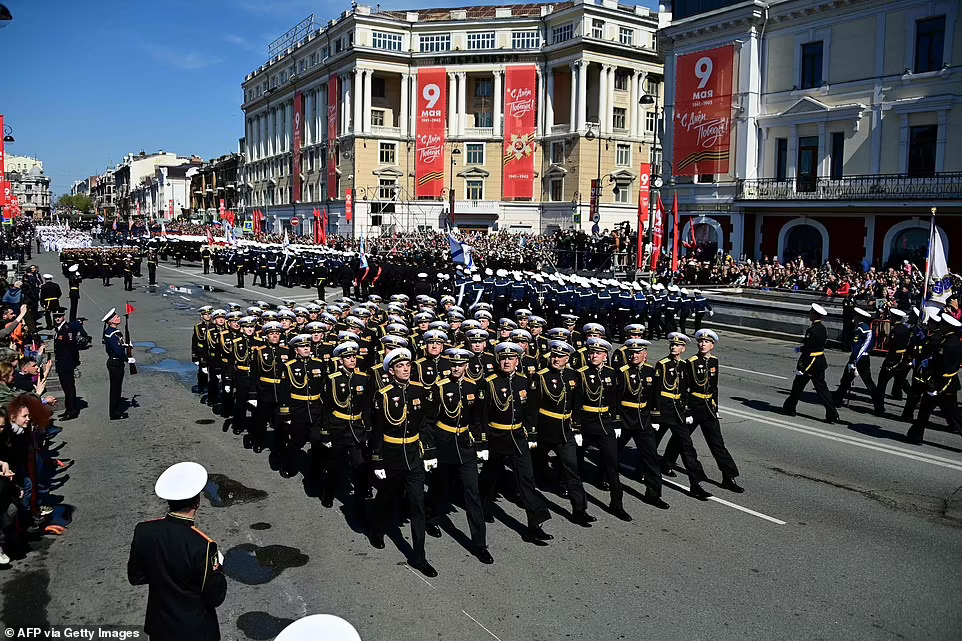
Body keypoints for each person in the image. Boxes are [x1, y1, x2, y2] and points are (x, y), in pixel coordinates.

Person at [127, 461, 227, 641]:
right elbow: (215, 597)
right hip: (195, 632)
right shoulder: (203, 546)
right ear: (197, 502)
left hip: (160, 627)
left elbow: (136, 577)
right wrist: (218, 569)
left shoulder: (144, 531)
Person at [368, 348, 438, 578]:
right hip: (392, 455)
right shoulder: (384, 394)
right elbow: (377, 430)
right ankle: (377, 529)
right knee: (386, 498)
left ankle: (419, 556)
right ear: (391, 370)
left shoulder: (419, 390)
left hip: (414, 455)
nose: (406, 369)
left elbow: (426, 422)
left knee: (418, 505)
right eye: (400, 366)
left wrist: (429, 452)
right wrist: (377, 460)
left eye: (408, 365)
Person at [478, 342, 553, 545]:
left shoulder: (523, 381)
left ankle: (535, 525)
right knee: (489, 477)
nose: (506, 362)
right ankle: (481, 508)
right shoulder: (489, 382)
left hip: (517, 436)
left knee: (526, 479)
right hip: (496, 436)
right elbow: (482, 416)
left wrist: (531, 434)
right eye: (503, 358)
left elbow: (530, 410)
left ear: (518, 361)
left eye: (510, 359)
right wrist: (482, 443)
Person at [424, 347, 493, 564]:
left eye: (460, 365)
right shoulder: (439, 387)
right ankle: (432, 517)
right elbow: (428, 422)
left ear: (466, 366)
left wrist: (482, 443)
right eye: (453, 365)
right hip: (444, 442)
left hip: (465, 444)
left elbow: (478, 419)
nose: (456, 368)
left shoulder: (474, 386)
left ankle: (479, 544)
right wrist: (430, 451)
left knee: (472, 492)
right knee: (440, 487)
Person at [664, 329, 743, 492]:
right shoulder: (690, 362)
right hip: (693, 406)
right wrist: (686, 410)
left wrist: (716, 407)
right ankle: (666, 464)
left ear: (712, 345)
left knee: (717, 444)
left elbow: (714, 387)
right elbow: (684, 388)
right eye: (700, 342)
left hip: (708, 408)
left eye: (706, 342)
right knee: (681, 440)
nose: (702, 344)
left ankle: (728, 477)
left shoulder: (714, 361)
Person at [527, 339, 592, 526]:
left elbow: (577, 403)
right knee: (530, 469)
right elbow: (532, 408)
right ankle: (527, 500)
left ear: (568, 358)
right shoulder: (540, 376)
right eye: (554, 355)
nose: (556, 359)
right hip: (545, 430)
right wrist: (532, 433)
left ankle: (579, 510)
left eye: (561, 356)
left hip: (565, 432)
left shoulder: (574, 375)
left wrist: (578, 428)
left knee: (572, 470)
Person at [575, 336, 631, 521]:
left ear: (605, 356)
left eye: (598, 353)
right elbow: (576, 403)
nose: (593, 356)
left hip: (605, 423)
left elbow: (615, 401)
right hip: (586, 423)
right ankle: (568, 489)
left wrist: (616, 422)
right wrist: (576, 427)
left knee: (611, 465)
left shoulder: (612, 373)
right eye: (591, 352)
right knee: (575, 462)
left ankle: (617, 504)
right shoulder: (581, 373)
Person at [653, 332, 713, 500]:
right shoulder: (662, 364)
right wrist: (656, 416)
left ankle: (696, 484)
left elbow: (685, 390)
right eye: (672, 345)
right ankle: (642, 471)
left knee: (687, 448)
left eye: (677, 345)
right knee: (651, 445)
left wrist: (686, 411)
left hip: (678, 411)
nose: (674, 347)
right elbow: (656, 392)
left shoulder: (685, 365)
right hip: (664, 410)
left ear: (683, 348)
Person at [615, 338, 669, 509]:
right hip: (625, 419)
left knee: (651, 456)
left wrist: (656, 418)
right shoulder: (622, 371)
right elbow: (615, 399)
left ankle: (653, 493)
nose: (634, 355)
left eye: (638, 352)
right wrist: (616, 421)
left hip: (643, 420)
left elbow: (655, 397)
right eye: (632, 352)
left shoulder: (650, 372)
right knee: (611, 453)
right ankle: (601, 477)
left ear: (645, 354)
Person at [905, 313, 961, 445]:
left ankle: (916, 436)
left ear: (948, 327)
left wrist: (935, 385)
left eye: (943, 325)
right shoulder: (954, 341)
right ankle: (915, 435)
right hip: (947, 382)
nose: (940, 326)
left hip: (941, 383)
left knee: (952, 415)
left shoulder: (947, 344)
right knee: (930, 410)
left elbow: (942, 367)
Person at [782, 304, 840, 424]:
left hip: (810, 363)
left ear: (815, 314)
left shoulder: (812, 330)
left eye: (811, 313)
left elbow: (809, 349)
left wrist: (802, 366)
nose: (809, 314)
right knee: (823, 390)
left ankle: (789, 409)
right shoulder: (823, 328)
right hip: (820, 361)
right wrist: (802, 348)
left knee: (797, 386)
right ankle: (832, 414)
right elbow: (816, 345)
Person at [833, 307, 876, 407]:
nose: (854, 317)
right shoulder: (867, 328)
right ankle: (838, 397)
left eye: (856, 316)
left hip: (859, 358)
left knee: (866, 381)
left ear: (860, 318)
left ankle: (878, 401)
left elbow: (858, 348)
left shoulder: (860, 330)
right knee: (847, 379)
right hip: (864, 358)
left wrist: (853, 361)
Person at [873, 308, 911, 416]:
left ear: (895, 318)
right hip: (902, 358)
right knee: (902, 381)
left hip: (893, 358)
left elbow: (892, 345)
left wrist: (889, 361)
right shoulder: (906, 329)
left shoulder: (895, 330)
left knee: (882, 383)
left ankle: (879, 408)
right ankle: (913, 396)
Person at [52, 308, 81, 420]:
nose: (57, 318)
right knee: (65, 387)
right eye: (55, 316)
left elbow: (73, 347)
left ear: (63, 316)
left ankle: (72, 410)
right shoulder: (59, 329)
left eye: (59, 316)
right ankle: (68, 408)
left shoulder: (67, 329)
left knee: (69, 387)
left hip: (67, 363)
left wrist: (75, 361)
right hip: (61, 362)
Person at [102, 308, 130, 420]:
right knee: (116, 389)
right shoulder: (115, 333)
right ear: (112, 321)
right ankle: (115, 413)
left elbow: (117, 346)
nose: (119, 318)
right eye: (116, 317)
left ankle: (114, 410)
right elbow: (117, 350)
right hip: (116, 362)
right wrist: (127, 358)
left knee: (115, 388)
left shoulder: (108, 332)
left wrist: (126, 345)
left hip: (112, 361)